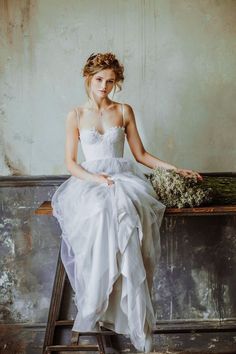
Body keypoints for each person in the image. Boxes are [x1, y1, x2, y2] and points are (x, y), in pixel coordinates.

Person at [51, 52, 202, 353]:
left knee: (128, 220)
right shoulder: (76, 115)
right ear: (88, 78)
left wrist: (175, 170)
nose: (104, 86)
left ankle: (133, 311)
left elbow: (141, 155)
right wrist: (96, 181)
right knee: (102, 214)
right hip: (90, 182)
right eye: (99, 80)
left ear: (116, 83)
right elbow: (70, 163)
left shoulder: (123, 110)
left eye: (110, 81)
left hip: (124, 179)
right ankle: (97, 300)